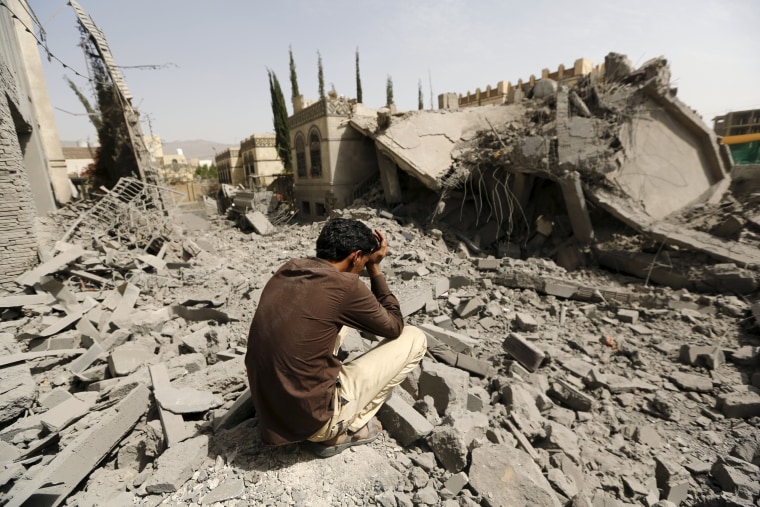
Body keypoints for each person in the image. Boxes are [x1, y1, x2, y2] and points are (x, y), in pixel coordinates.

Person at [245, 218, 427, 457]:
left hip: (269, 410)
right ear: (356, 256)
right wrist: (374, 269)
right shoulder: (346, 285)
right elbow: (394, 326)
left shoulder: (289, 268)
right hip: (313, 423)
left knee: (334, 322)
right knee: (415, 337)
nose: (362, 267)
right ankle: (343, 429)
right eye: (363, 261)